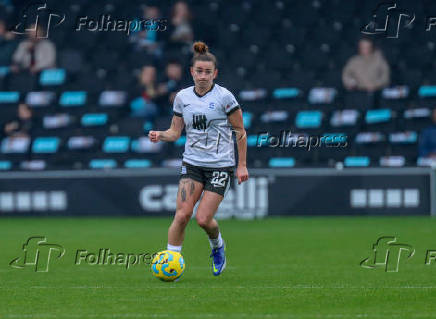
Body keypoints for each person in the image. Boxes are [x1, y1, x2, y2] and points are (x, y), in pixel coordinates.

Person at [148, 41, 249, 276]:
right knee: (182, 214)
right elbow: (175, 132)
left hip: (220, 167)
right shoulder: (182, 97)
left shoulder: (225, 97)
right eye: (199, 71)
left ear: (215, 74)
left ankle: (217, 246)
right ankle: (170, 263)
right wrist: (160, 135)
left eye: (208, 72)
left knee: (203, 219)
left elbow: (240, 132)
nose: (203, 76)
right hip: (192, 163)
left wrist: (241, 165)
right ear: (191, 72)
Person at [342, 38, 390, 108]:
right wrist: (352, 83)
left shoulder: (379, 59)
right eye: (362, 47)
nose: (364, 49)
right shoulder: (354, 61)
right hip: (359, 93)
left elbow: (385, 76)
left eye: (367, 47)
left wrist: (376, 85)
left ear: (371, 47)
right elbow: (346, 75)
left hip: (377, 92)